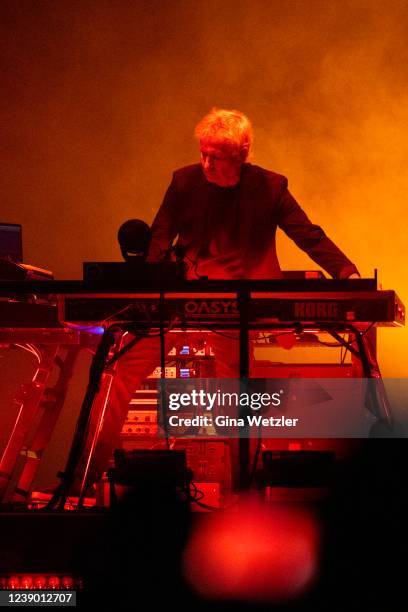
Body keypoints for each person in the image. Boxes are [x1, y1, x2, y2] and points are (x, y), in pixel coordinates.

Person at [78, 108, 360, 492]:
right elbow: (159, 238)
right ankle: (85, 481)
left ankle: (241, 493)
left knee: (238, 394)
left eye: (217, 156)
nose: (207, 163)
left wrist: (347, 274)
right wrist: (146, 288)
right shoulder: (184, 181)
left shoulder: (270, 187)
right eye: (203, 153)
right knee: (120, 373)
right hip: (184, 300)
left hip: (241, 307)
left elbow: (308, 235)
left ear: (242, 154)